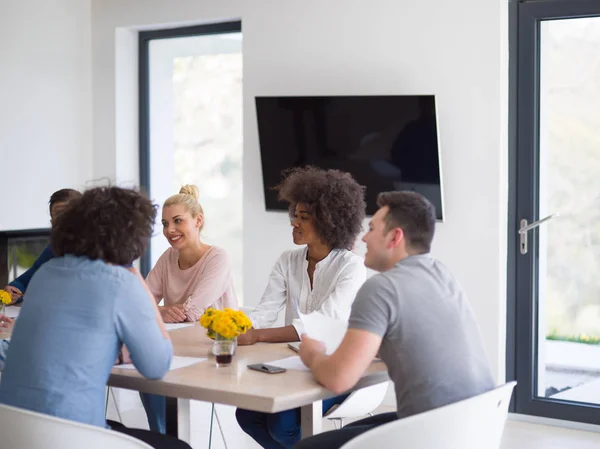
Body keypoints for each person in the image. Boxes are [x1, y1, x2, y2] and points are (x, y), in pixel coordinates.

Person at [294, 191, 495, 449]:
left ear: (394, 236)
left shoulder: (381, 287)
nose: (364, 237)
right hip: (474, 427)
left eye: (372, 228)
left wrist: (312, 354)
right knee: (354, 431)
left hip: (432, 435)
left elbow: (338, 379)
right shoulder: (442, 274)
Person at [0, 186, 191, 449]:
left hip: (11, 430)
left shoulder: (46, 273)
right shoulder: (121, 282)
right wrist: (142, 288)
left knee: (120, 428)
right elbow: (156, 365)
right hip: (68, 437)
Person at [235, 166, 367, 449]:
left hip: (337, 367)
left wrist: (257, 336)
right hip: (294, 367)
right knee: (246, 415)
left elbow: (320, 324)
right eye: (294, 215)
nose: (294, 222)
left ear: (329, 221)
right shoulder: (288, 260)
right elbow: (265, 313)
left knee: (283, 426)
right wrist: (236, 325)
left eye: (303, 218)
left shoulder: (351, 267)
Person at [141, 184, 238, 434]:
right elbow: (140, 302)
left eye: (177, 221)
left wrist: (159, 309)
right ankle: (162, 438)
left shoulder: (218, 258)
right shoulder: (167, 258)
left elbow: (193, 312)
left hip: (211, 352)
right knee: (146, 371)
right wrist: (160, 311)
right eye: (164, 223)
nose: (169, 230)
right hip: (175, 348)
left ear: (198, 221)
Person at [3, 188, 82, 304]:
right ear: (52, 223)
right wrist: (14, 292)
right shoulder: (53, 250)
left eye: (70, 215)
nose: (65, 222)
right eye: (59, 216)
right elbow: (23, 282)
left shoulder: (100, 252)